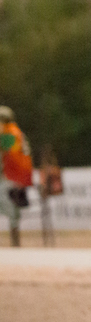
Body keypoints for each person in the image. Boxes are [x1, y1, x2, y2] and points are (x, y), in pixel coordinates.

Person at [0, 105, 33, 247]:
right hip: (20, 179)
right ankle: (15, 242)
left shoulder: (9, 133)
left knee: (5, 198)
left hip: (13, 179)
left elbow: (6, 155)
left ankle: (15, 243)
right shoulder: (17, 132)